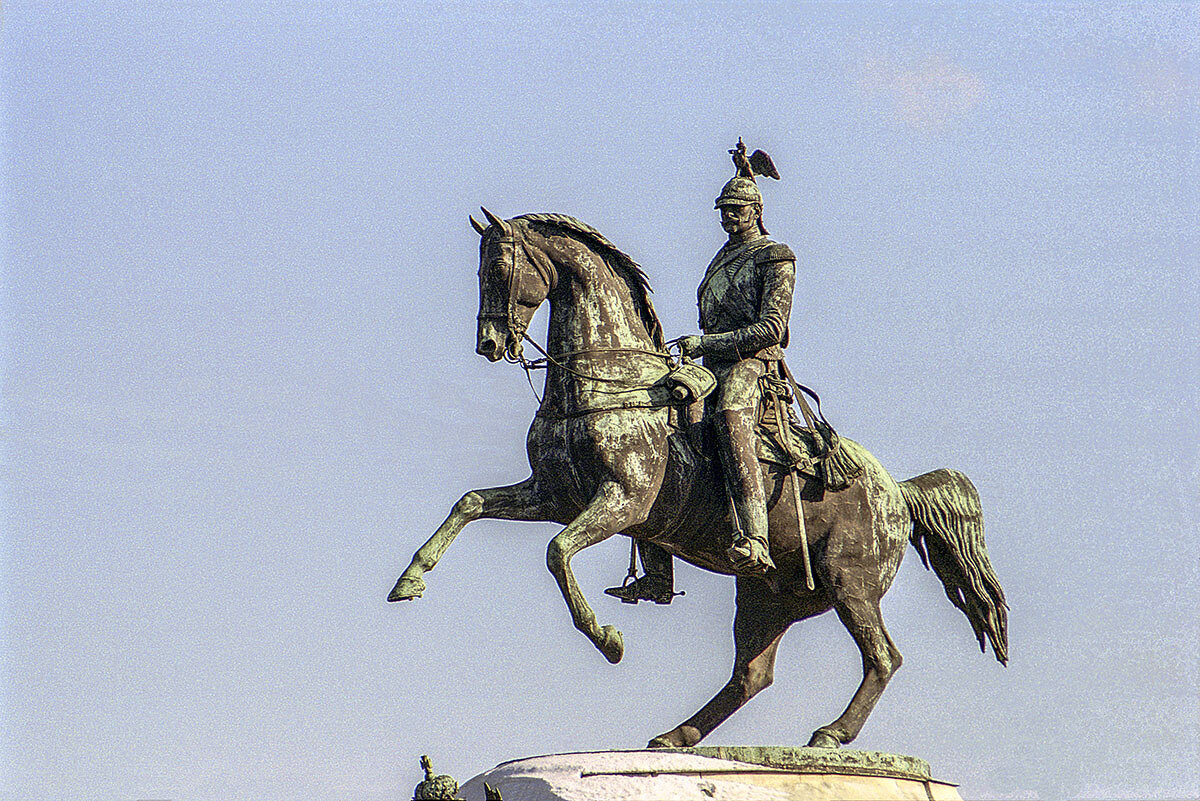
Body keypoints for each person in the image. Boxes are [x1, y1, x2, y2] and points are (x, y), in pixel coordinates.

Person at [606, 144, 795, 603]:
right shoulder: (718, 260)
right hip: (710, 365)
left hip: (754, 366)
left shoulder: (775, 255)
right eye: (724, 211)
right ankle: (657, 574)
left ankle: (756, 538)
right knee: (658, 434)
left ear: (756, 209)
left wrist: (706, 344)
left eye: (738, 209)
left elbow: (773, 326)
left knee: (732, 421)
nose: (730, 217)